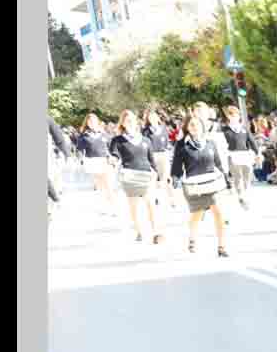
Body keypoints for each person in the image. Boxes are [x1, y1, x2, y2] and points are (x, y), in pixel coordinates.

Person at [169, 112, 231, 257]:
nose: (194, 127)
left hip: (212, 184)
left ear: (202, 126)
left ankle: (222, 246)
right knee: (197, 215)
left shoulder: (210, 143)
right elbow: (177, 165)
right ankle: (192, 238)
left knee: (219, 213)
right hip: (194, 186)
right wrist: (175, 178)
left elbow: (218, 162)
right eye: (191, 125)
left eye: (197, 124)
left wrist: (226, 178)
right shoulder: (182, 145)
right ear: (187, 128)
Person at [109, 109, 157, 243]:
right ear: (122, 123)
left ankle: (155, 231)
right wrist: (112, 159)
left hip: (146, 175)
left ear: (136, 122)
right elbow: (114, 154)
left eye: (132, 120)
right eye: (126, 120)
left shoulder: (145, 139)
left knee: (150, 203)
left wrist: (156, 173)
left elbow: (151, 158)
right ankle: (139, 231)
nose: (130, 122)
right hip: (130, 176)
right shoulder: (117, 140)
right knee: (134, 206)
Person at [219, 105, 258, 208]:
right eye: (232, 115)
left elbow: (251, 141)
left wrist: (257, 152)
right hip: (232, 154)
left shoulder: (244, 128)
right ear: (228, 117)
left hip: (245, 154)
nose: (234, 117)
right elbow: (221, 144)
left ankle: (246, 192)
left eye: (236, 115)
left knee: (247, 174)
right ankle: (241, 196)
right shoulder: (225, 130)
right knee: (237, 176)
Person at [75, 113, 115, 201]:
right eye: (89, 122)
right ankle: (104, 202)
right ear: (87, 123)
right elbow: (78, 150)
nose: (92, 123)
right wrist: (81, 159)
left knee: (108, 183)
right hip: (93, 162)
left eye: (93, 121)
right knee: (100, 185)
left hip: (105, 161)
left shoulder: (104, 134)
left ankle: (112, 203)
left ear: (97, 122)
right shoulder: (84, 136)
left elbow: (111, 147)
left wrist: (112, 157)